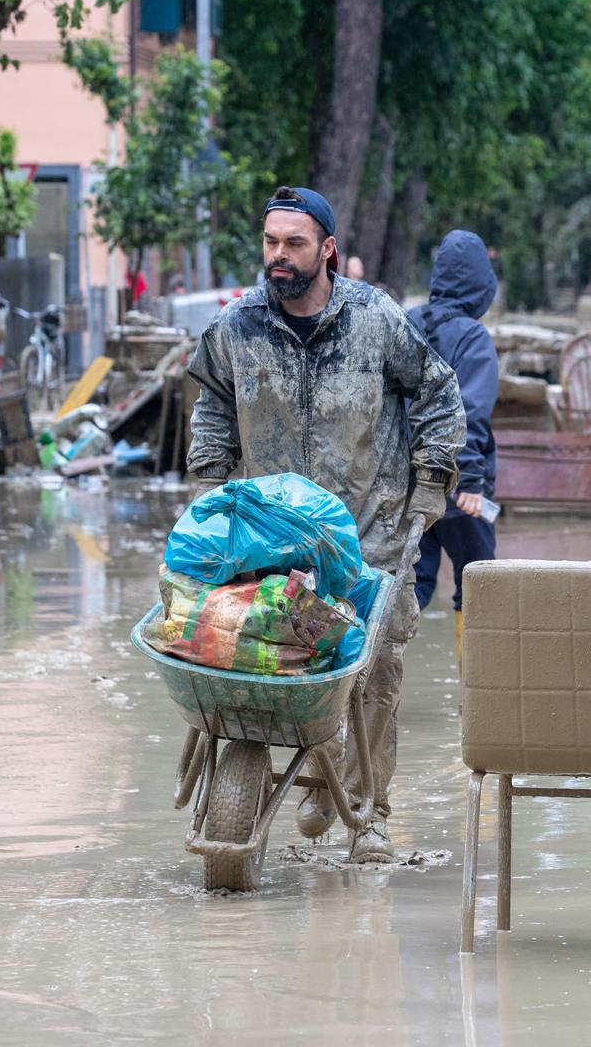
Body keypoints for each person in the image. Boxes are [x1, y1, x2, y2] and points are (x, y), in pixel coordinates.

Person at [187, 186, 466, 862]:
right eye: (270, 243)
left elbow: (438, 394)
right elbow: (213, 407)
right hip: (272, 541)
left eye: (295, 244)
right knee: (273, 667)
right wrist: (209, 483)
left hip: (370, 536)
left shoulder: (376, 321)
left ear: (328, 251)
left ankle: (367, 810)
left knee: (373, 676)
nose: (278, 258)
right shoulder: (237, 327)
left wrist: (431, 482)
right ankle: (307, 780)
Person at [407, 230, 500, 654]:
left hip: (404, 484)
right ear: (483, 284)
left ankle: (370, 683)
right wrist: (475, 485)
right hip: (458, 483)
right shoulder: (473, 338)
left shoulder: (404, 322)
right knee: (479, 583)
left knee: (411, 582)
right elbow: (471, 415)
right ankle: (477, 699)